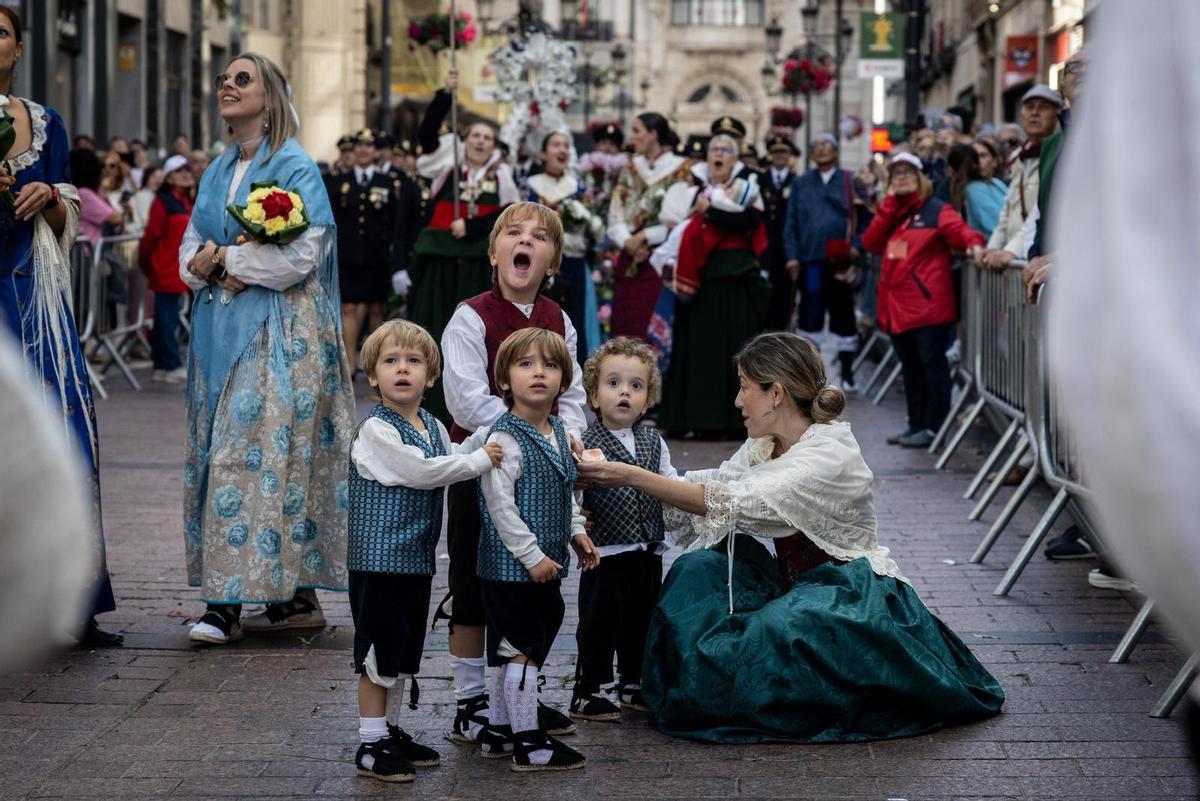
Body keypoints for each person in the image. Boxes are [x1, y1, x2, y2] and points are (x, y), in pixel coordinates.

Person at [577, 331, 1004, 743]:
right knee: (698, 567)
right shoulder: (765, 444)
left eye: (745, 388)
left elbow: (734, 499)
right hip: (796, 585)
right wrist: (593, 506)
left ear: (776, 393)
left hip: (850, 594)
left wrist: (630, 475)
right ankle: (669, 680)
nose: (738, 400)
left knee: (777, 628)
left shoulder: (829, 453)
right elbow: (711, 484)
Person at [178, 52, 355, 644]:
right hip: (218, 330)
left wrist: (230, 259)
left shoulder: (297, 166)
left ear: (271, 93)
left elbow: (303, 255)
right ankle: (290, 600)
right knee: (235, 452)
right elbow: (190, 248)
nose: (228, 85)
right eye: (224, 79)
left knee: (257, 455)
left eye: (242, 79)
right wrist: (207, 266)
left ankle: (226, 604)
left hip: (279, 334)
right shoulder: (216, 169)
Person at [440, 201, 588, 751]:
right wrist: (520, 431)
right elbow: (465, 394)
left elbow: (570, 394)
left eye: (539, 236)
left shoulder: (559, 319)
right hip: (486, 462)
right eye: (514, 233)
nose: (525, 241)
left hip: (543, 474)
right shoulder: (471, 315)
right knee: (475, 583)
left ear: (551, 260)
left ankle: (515, 697)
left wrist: (567, 437)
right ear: (495, 250)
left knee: (525, 582)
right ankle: (469, 700)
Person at [0, 6, 122, 647]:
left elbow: (69, 212)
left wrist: (47, 196)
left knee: (65, 433)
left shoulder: (46, 123)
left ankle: (73, 602)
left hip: (35, 299)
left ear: (19, 48)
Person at [348, 319, 501, 783]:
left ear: (430, 376)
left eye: (413, 361)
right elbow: (421, 471)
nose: (402, 369)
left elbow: (454, 450)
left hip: (413, 562)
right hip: (378, 563)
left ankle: (390, 730)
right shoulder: (376, 430)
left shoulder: (432, 425)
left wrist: (489, 435)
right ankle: (370, 742)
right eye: (390, 361)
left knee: (400, 651)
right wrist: (478, 460)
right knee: (377, 653)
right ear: (373, 375)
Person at [476, 327, 599, 770]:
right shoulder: (505, 438)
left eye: (549, 365)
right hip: (513, 568)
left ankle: (499, 731)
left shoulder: (558, 430)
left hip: (546, 562)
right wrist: (531, 556)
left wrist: (576, 530)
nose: (539, 373)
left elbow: (564, 489)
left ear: (564, 380)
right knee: (521, 649)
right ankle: (530, 742)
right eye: (525, 365)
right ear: (504, 380)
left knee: (512, 647)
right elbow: (499, 506)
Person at [571, 337, 677, 722]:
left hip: (648, 550)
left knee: (642, 619)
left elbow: (669, 482)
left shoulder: (653, 440)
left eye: (636, 386)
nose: (624, 393)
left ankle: (633, 681)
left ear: (648, 399)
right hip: (606, 554)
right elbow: (572, 494)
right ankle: (590, 688)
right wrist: (577, 523)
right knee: (601, 622)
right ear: (594, 396)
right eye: (613, 384)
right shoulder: (585, 443)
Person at [410, 67, 519, 421]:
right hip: (442, 259)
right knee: (435, 325)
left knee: (474, 331)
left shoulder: (502, 174)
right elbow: (426, 137)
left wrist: (471, 226)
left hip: (475, 261)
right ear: (465, 139)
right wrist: (445, 94)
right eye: (475, 135)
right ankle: (429, 401)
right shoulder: (449, 162)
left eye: (488, 137)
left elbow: (508, 215)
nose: (481, 141)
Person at [655, 120, 770, 437]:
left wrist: (712, 212)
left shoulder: (747, 188)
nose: (719, 155)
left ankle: (734, 422)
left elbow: (749, 220)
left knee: (736, 352)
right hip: (700, 280)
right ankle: (693, 418)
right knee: (697, 350)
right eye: (714, 150)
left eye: (725, 150)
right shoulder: (693, 190)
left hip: (735, 279)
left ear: (735, 159)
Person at [862, 152, 984, 448]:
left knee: (932, 367)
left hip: (928, 307)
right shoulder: (891, 213)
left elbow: (963, 233)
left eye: (908, 171)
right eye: (896, 173)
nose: (902, 176)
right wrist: (889, 204)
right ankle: (916, 426)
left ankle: (934, 428)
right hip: (897, 308)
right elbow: (870, 242)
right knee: (911, 369)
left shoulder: (936, 210)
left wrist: (976, 246)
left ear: (920, 178)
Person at [783, 132, 860, 392]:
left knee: (843, 314)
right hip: (810, 259)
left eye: (828, 145)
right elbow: (790, 222)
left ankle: (848, 372)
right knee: (810, 314)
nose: (822, 149)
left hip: (840, 261)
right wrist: (792, 256)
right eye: (817, 146)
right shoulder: (802, 183)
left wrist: (857, 247)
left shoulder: (850, 180)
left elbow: (865, 216)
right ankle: (810, 375)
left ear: (836, 151)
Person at [328, 128, 405, 373]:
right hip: (348, 253)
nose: (363, 150)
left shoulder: (387, 183)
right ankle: (350, 363)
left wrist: (395, 257)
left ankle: (373, 364)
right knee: (349, 307)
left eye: (369, 146)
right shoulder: (341, 181)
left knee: (377, 308)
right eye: (359, 146)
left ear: (375, 151)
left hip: (377, 255)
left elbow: (396, 222)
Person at [606, 112, 689, 339]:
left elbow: (681, 221)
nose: (631, 137)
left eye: (636, 131)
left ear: (653, 134)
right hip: (629, 256)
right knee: (624, 325)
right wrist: (628, 241)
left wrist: (646, 236)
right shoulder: (630, 167)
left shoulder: (681, 169)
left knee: (651, 328)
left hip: (659, 258)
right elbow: (615, 215)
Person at [526, 129, 604, 364]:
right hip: (540, 264)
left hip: (574, 263)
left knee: (575, 322)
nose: (562, 150)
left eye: (566, 145)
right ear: (543, 153)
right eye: (556, 145)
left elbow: (597, 230)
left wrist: (584, 217)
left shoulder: (579, 187)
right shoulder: (531, 185)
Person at [977, 85, 1060, 270]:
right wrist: (992, 249)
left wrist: (1010, 251)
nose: (1035, 113)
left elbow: (1036, 214)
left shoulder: (1060, 154)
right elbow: (1007, 213)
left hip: (1039, 261)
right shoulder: (1019, 158)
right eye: (1030, 107)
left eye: (1043, 107)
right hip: (1017, 262)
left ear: (1058, 114)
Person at [137, 154, 194, 383]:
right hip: (165, 268)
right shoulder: (163, 202)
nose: (186, 175)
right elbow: (151, 236)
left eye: (187, 171)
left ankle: (162, 364)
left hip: (180, 268)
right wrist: (149, 265)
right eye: (180, 172)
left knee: (167, 318)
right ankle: (167, 364)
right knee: (166, 318)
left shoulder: (186, 201)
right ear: (169, 177)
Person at [760, 134, 800, 331]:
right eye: (776, 152)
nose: (780, 156)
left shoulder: (797, 182)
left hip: (786, 251)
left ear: (789, 155)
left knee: (785, 298)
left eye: (783, 152)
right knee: (764, 298)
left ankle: (781, 336)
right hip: (765, 249)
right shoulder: (761, 179)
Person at [948, 143, 1006, 239]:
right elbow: (997, 223)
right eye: (979, 156)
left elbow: (1000, 222)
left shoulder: (996, 182)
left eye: (983, 155)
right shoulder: (974, 189)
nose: (982, 161)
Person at [71, 148, 124, 245]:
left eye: (112, 166)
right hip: (88, 254)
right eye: (102, 165)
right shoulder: (83, 193)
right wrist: (103, 190)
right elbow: (116, 218)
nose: (107, 170)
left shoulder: (83, 192)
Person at [131, 164, 165, 234]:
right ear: (146, 178)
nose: (157, 181)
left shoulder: (160, 196)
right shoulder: (143, 195)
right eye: (154, 177)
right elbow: (146, 221)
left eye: (161, 178)